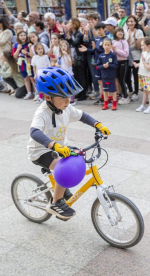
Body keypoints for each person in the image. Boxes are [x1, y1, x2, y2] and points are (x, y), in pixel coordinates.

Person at [28, 67, 110, 220]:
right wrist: (54, 145)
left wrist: (97, 125)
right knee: (65, 168)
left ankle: (61, 187)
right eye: (63, 98)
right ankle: (56, 202)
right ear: (47, 97)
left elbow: (82, 116)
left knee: (76, 157)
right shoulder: (42, 113)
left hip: (59, 148)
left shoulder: (66, 108)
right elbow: (34, 132)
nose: (67, 101)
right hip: (40, 151)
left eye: (69, 97)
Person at [66, 18, 88, 101]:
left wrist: (68, 35)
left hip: (79, 58)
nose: (69, 24)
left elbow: (75, 43)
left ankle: (83, 93)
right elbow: (66, 42)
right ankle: (79, 92)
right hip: (73, 57)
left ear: (75, 24)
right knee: (76, 76)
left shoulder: (79, 34)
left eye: (70, 22)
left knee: (82, 76)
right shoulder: (71, 33)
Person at [135, 37, 150, 114]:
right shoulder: (144, 53)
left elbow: (149, 68)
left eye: (143, 45)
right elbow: (142, 64)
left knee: (149, 92)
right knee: (145, 91)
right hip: (142, 74)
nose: (141, 47)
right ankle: (143, 105)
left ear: (148, 46)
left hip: (148, 76)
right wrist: (137, 64)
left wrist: (144, 62)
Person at [125, 15, 144, 101]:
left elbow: (139, 46)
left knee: (136, 75)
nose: (130, 23)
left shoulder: (139, 31)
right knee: (126, 75)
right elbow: (124, 45)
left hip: (136, 55)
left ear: (135, 22)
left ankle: (136, 92)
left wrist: (135, 37)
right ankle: (131, 90)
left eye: (132, 21)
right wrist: (128, 38)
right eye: (128, 21)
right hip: (127, 56)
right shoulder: (125, 31)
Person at [96, 38, 118, 110]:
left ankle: (114, 104)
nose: (107, 46)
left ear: (111, 46)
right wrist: (103, 66)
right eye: (105, 45)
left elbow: (115, 65)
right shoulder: (101, 55)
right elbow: (98, 65)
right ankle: (106, 104)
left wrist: (109, 65)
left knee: (113, 91)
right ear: (103, 46)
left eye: (108, 45)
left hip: (111, 76)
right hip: (104, 77)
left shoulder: (113, 55)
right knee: (105, 91)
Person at [90, 22, 109, 104]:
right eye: (97, 30)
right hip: (98, 63)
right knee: (100, 82)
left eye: (100, 29)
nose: (99, 31)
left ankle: (107, 99)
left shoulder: (106, 39)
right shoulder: (97, 38)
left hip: (104, 63)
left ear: (104, 29)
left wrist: (95, 49)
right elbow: (95, 51)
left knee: (104, 82)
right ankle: (102, 98)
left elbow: (104, 51)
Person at [12, 30, 34, 100]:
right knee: (26, 79)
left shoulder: (29, 44)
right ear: (18, 37)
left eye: (24, 35)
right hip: (21, 64)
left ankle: (36, 93)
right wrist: (18, 49)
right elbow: (14, 56)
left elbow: (32, 54)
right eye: (21, 35)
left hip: (28, 63)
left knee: (32, 78)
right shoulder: (16, 45)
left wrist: (26, 52)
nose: (23, 37)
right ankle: (29, 92)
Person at [113, 27, 130, 104]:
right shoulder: (113, 41)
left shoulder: (124, 42)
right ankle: (119, 94)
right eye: (118, 31)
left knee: (122, 80)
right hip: (116, 63)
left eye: (121, 31)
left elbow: (126, 54)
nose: (120, 33)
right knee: (117, 79)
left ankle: (126, 96)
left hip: (123, 62)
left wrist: (116, 50)